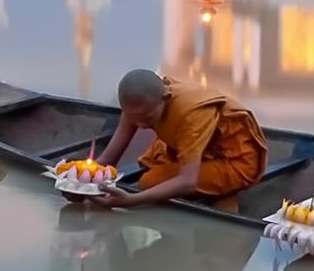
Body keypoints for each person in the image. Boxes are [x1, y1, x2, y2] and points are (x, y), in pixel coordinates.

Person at [85, 69, 269, 209]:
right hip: (191, 149)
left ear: (166, 98)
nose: (140, 126)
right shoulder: (139, 107)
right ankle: (212, 188)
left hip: (234, 162)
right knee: (150, 161)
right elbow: (108, 159)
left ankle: (223, 193)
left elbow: (188, 182)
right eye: (134, 118)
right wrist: (80, 183)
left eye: (148, 118)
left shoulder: (191, 114)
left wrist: (131, 200)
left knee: (148, 182)